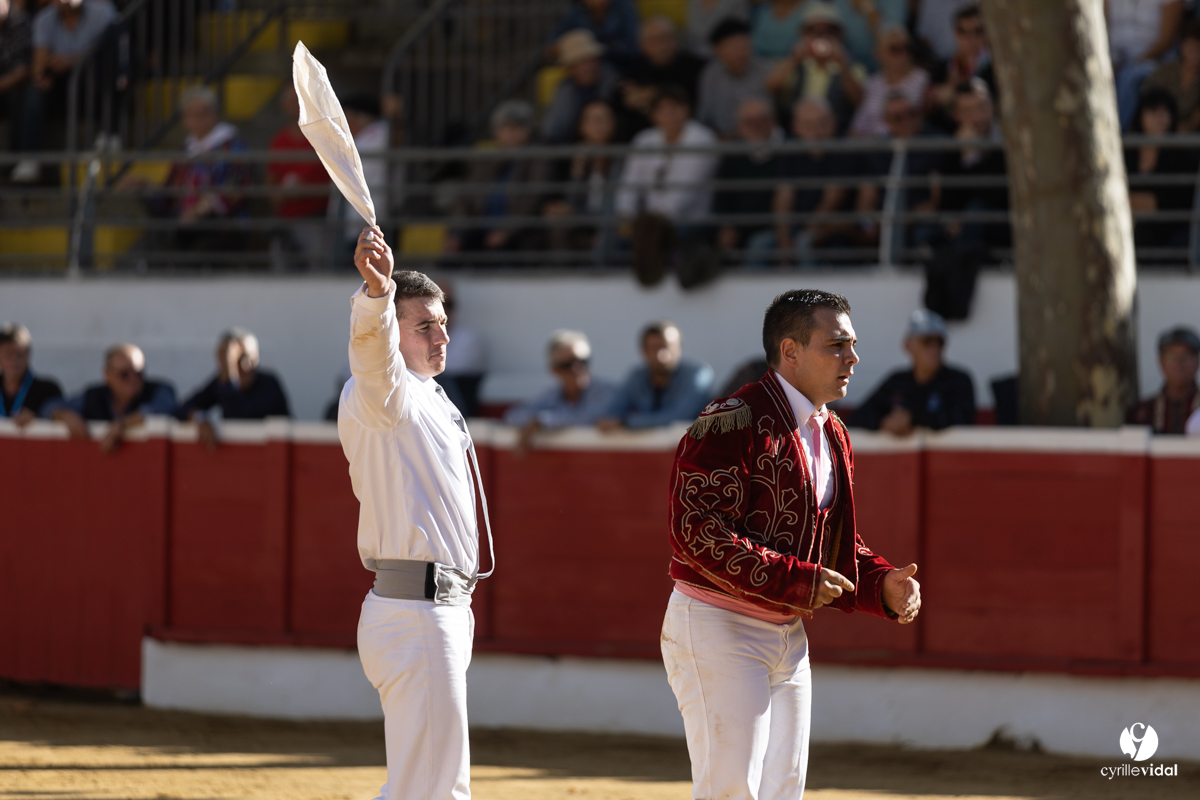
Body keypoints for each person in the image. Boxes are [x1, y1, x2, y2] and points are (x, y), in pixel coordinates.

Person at [661, 289, 921, 800]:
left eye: (852, 345)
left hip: (786, 633)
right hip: (720, 626)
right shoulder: (732, 420)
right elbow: (696, 530)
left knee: (783, 789)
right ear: (791, 351)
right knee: (731, 790)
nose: (853, 358)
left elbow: (831, 545)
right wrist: (796, 580)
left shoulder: (832, 432)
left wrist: (879, 585)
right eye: (837, 345)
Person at [339, 226, 494, 800]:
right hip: (417, 610)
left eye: (443, 323)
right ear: (392, 334)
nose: (441, 335)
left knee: (427, 782)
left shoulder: (427, 394)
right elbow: (372, 357)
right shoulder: (381, 391)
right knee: (433, 788)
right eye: (424, 325)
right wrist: (376, 295)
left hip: (437, 608)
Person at [120, 86, 253, 255]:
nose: (198, 119)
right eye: (191, 114)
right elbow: (170, 193)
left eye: (203, 113)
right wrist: (144, 184)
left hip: (221, 224)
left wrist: (198, 210)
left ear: (215, 114)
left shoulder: (234, 147)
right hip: (184, 221)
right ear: (184, 120)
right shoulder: (186, 151)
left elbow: (235, 190)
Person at [12, 0, 116, 182]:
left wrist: (71, 61)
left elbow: (110, 54)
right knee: (34, 89)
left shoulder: (102, 13)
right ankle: (29, 158)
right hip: (61, 87)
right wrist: (43, 73)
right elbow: (38, 65)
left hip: (94, 80)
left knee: (105, 71)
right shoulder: (44, 19)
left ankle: (110, 132)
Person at [848, 308, 976, 434]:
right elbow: (859, 417)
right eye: (927, 342)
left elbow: (962, 419)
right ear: (908, 346)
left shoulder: (958, 381)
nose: (934, 348)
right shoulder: (897, 381)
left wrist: (913, 419)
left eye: (939, 342)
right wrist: (883, 422)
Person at [446, 100, 549, 255]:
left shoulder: (537, 160)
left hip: (518, 234)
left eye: (517, 127)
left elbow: (531, 201)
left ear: (529, 131)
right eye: (506, 127)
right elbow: (465, 197)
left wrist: (506, 231)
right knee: (451, 260)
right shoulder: (486, 161)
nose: (511, 133)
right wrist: (457, 233)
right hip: (479, 230)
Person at [771, 97, 858, 265]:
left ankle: (806, 292)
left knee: (805, 244)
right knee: (760, 245)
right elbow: (783, 198)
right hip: (796, 228)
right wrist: (784, 240)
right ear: (795, 127)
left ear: (833, 122)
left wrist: (805, 233)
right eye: (808, 125)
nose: (816, 131)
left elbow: (833, 199)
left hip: (833, 229)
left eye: (822, 123)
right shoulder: (790, 152)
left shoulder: (844, 151)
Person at [46, 343, 177, 453]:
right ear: (107, 375)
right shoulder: (94, 396)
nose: (133, 379)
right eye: (124, 374)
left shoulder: (158, 390)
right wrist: (65, 415)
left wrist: (121, 426)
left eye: (138, 373)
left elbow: (163, 408)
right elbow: (48, 407)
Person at [504, 329, 617, 454]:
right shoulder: (552, 395)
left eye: (583, 362)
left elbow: (586, 418)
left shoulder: (606, 392)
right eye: (567, 365)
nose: (577, 369)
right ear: (554, 369)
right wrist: (536, 421)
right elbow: (513, 415)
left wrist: (542, 421)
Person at [178, 329, 291, 448]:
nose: (245, 365)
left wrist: (228, 374)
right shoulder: (220, 381)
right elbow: (182, 409)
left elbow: (240, 416)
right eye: (237, 360)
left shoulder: (269, 384)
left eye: (249, 357)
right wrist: (200, 417)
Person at [765, 3, 866, 135]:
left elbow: (859, 101)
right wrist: (794, 59)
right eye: (814, 31)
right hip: (796, 139)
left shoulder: (853, 67)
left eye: (829, 31)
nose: (821, 36)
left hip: (837, 140)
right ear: (803, 34)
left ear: (840, 34)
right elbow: (771, 87)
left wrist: (842, 65)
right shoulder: (796, 65)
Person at [596, 320, 714, 430]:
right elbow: (610, 415)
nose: (661, 356)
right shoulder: (636, 377)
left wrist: (626, 423)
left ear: (679, 348)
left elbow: (679, 417)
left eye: (666, 347)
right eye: (654, 348)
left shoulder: (698, 374)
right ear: (643, 351)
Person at [1125, 87, 1200, 255]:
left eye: (1166, 112)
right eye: (1154, 111)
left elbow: (1168, 204)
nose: (1160, 118)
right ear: (1141, 115)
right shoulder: (1127, 152)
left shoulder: (1181, 157)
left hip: (1166, 234)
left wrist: (1130, 202)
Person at [543, 100, 622, 251]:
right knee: (555, 217)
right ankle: (562, 272)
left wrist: (574, 213)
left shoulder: (621, 158)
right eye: (593, 120)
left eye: (605, 119)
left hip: (610, 222)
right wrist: (577, 171)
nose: (599, 125)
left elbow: (618, 206)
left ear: (614, 123)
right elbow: (572, 201)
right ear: (582, 126)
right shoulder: (575, 157)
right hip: (583, 221)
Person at [267, 84, 331, 270]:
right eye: (290, 101)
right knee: (282, 268)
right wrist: (277, 197)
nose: (295, 105)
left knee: (318, 267)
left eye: (298, 100)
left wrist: (305, 191)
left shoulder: (325, 136)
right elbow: (271, 177)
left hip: (317, 217)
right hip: (285, 218)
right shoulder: (279, 140)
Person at [713, 97, 783, 259]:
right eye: (749, 122)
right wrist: (727, 226)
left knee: (759, 244)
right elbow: (722, 196)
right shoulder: (733, 156)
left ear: (773, 122)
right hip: (739, 228)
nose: (756, 126)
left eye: (761, 120)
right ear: (739, 127)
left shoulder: (788, 152)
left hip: (773, 229)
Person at [613, 15, 704, 140]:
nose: (661, 45)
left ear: (676, 39)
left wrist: (650, 93)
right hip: (643, 141)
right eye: (653, 40)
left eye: (665, 38)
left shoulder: (694, 66)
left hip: (687, 138)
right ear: (642, 45)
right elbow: (622, 96)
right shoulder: (636, 69)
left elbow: (687, 93)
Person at [1108, 0, 1184, 131]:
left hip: (1155, 61)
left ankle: (1119, 134)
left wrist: (1133, 62)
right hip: (1113, 60)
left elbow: (1167, 40)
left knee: (1129, 78)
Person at [332, 92, 390, 253]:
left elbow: (399, 133)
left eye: (345, 117)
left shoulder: (381, 132)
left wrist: (395, 114)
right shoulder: (356, 139)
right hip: (350, 224)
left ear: (360, 117)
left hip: (373, 224)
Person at [696, 18, 772, 139]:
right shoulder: (711, 74)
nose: (741, 52)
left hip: (761, 139)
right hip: (722, 140)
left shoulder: (764, 70)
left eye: (744, 46)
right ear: (718, 50)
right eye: (734, 47)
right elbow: (705, 116)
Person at [926, 4, 995, 134]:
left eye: (977, 31)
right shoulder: (942, 67)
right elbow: (930, 112)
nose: (970, 38)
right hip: (946, 139)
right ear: (954, 33)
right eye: (962, 31)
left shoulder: (995, 69)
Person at [541, 29, 618, 145]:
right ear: (569, 68)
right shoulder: (565, 90)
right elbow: (552, 130)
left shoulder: (613, 83)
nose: (589, 67)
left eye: (592, 60)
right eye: (581, 62)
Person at [849, 26, 928, 138]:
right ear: (878, 53)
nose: (903, 54)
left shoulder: (922, 79)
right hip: (871, 148)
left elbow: (913, 122)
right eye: (895, 49)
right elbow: (858, 125)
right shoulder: (873, 82)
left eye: (907, 48)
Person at [1128, 326, 1200, 434]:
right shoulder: (1143, 412)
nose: (1179, 363)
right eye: (1171, 356)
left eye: (1186, 355)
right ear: (1161, 361)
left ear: (1197, 361)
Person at [435, 281, 486, 418]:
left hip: (457, 406)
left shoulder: (469, 338)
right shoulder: (405, 335)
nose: (443, 309)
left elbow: (441, 370)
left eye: (448, 304)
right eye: (437, 303)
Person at [0, 322, 62, 426]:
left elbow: (62, 418)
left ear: (29, 354)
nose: (14, 360)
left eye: (19, 354)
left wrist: (39, 417)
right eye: (8, 354)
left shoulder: (48, 390)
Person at [1143, 19, 1200, 133]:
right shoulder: (1164, 72)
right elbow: (1148, 103)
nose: (1195, 53)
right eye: (1191, 47)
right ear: (1182, 45)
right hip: (1156, 132)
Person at [551, 0, 640, 67]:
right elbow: (555, 40)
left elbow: (633, 44)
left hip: (619, 62)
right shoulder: (576, 11)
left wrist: (600, 51)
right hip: (584, 61)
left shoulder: (624, 7)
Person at [0, 0, 32, 154]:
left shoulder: (19, 23)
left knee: (20, 95)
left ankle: (15, 156)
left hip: (14, 87)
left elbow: (23, 71)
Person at [685, 0, 749, 58]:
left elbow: (737, 33)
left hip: (723, 58)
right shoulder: (693, 2)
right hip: (693, 55)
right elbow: (691, 33)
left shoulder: (737, 2)